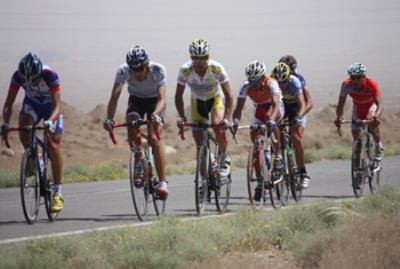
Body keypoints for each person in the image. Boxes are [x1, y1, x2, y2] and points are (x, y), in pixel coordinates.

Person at [103, 46, 169, 199]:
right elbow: (114, 98)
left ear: (147, 65)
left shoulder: (158, 70)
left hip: (155, 103)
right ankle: (139, 162)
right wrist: (109, 119)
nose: (137, 73)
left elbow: (162, 99)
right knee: (132, 124)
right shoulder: (123, 71)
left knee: (154, 138)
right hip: (136, 101)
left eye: (140, 68)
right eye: (134, 69)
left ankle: (163, 183)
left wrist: (155, 114)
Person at [1, 53, 64, 212]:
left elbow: (57, 105)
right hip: (33, 104)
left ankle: (57, 192)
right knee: (24, 126)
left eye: (34, 80)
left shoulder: (50, 75)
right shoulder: (17, 77)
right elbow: (8, 104)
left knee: (53, 144)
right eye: (28, 82)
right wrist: (6, 122)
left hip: (51, 107)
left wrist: (50, 120)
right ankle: (35, 157)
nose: (32, 84)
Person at [175, 38, 234, 178]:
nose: (200, 62)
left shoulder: (217, 68)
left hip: (216, 98)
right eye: (196, 58)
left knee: (216, 125)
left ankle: (224, 156)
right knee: (199, 144)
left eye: (204, 58)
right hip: (197, 101)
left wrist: (227, 118)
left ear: (209, 56)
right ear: (191, 58)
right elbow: (178, 96)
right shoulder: (185, 70)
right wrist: (181, 116)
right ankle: (203, 183)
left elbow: (229, 95)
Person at [232, 60, 285, 200]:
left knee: (269, 118)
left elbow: (275, 104)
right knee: (255, 141)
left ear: (262, 77)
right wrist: (235, 123)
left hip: (274, 108)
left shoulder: (271, 83)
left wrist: (272, 121)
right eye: (250, 79)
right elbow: (238, 109)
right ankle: (261, 182)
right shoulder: (245, 86)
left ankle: (278, 156)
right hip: (258, 108)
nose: (253, 83)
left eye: (256, 79)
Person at [271, 62, 310, 189]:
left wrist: (299, 117)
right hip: (283, 107)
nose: (281, 85)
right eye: (278, 82)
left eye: (283, 82)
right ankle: (279, 161)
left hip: (295, 108)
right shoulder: (272, 82)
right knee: (275, 131)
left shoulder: (295, 81)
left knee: (296, 137)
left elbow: (303, 104)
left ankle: (303, 172)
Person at [334, 63, 384, 161]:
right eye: (352, 78)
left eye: (358, 77)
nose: (355, 81)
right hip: (358, 106)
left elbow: (380, 104)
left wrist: (376, 117)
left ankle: (379, 146)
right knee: (356, 139)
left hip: (370, 105)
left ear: (364, 77)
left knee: (370, 119)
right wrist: (339, 117)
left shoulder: (371, 84)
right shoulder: (346, 85)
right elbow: (340, 105)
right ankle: (357, 172)